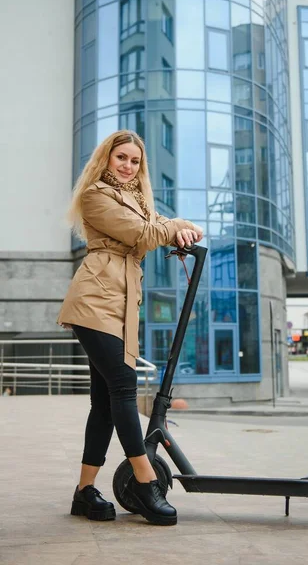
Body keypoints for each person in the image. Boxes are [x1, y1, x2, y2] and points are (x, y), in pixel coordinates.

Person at [57, 130, 203, 526]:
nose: (127, 166)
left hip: (121, 304)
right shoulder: (95, 196)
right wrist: (174, 227)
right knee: (123, 385)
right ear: (106, 159)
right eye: (121, 157)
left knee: (104, 402)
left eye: (135, 161)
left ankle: (84, 492)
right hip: (94, 301)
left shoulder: (138, 202)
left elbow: (161, 224)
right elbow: (143, 234)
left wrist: (182, 224)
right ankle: (144, 479)